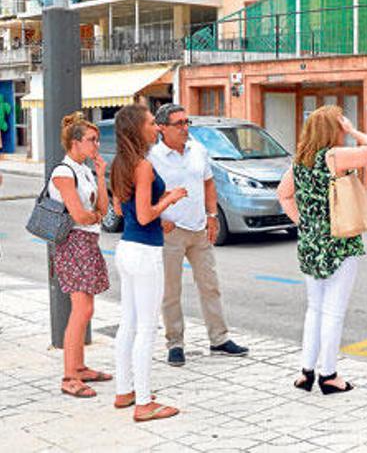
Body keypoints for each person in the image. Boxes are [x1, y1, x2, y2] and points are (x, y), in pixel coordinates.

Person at [277, 105, 367, 395]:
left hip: (311, 244)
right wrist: (352, 131)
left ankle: (306, 372)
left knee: (314, 308)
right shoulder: (333, 157)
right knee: (333, 312)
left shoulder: (300, 161)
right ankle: (329, 376)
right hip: (339, 242)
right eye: (339, 125)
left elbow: (283, 195)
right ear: (333, 128)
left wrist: (306, 224)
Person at [148, 103, 248, 367]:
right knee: (171, 290)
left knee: (210, 286)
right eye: (178, 123)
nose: (184, 128)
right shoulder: (152, 157)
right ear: (162, 128)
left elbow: (208, 183)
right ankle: (175, 343)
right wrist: (158, 218)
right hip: (171, 231)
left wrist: (212, 216)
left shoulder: (198, 151)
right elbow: (142, 193)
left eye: (186, 122)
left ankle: (219, 339)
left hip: (199, 229)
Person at [110, 104, 187, 422]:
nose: (156, 127)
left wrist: (158, 199)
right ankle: (143, 403)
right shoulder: (142, 165)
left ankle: (124, 390)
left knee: (128, 324)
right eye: (150, 123)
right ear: (136, 128)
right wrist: (169, 199)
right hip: (144, 253)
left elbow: (123, 207)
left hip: (127, 248)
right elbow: (144, 215)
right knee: (146, 328)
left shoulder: (120, 163)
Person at [49, 112, 111, 398]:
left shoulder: (84, 169)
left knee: (87, 308)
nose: (96, 145)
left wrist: (100, 174)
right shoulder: (64, 172)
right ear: (75, 142)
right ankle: (69, 376)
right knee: (81, 309)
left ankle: (80, 367)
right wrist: (93, 215)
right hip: (73, 243)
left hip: (87, 241)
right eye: (91, 140)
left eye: (96, 140)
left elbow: (103, 208)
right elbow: (79, 214)